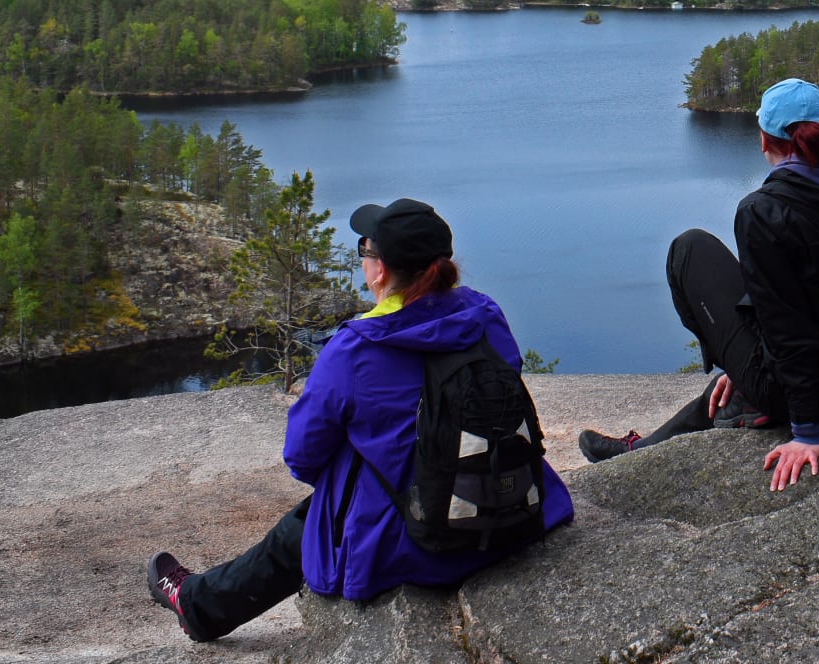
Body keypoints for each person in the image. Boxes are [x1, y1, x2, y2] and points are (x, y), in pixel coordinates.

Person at [144, 198, 573, 642]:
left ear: (381, 270)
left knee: (319, 514)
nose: (363, 261)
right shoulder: (485, 316)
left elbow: (302, 456)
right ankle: (200, 603)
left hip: (425, 541)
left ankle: (196, 603)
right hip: (513, 509)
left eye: (364, 251)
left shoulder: (355, 350)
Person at [575, 78, 819, 491]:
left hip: (810, 393)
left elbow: (790, 330)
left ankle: (744, 395)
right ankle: (644, 450)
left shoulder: (764, 211)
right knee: (729, 378)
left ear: (765, 140)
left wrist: (806, 432)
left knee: (690, 249)